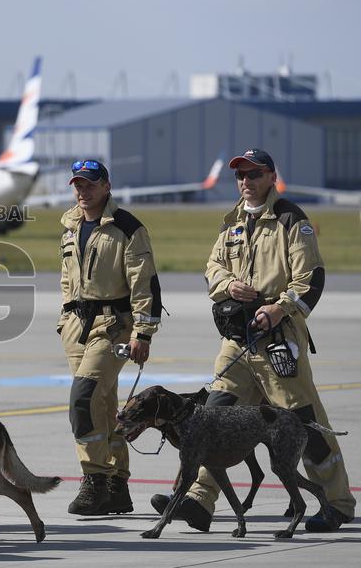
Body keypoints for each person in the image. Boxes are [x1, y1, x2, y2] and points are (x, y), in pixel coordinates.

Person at [150, 148, 356, 532]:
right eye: (240, 175)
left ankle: (337, 503)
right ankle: (198, 501)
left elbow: (311, 278)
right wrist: (229, 284)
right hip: (237, 341)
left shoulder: (291, 219)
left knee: (304, 424)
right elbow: (212, 268)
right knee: (213, 416)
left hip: (278, 337)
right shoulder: (232, 223)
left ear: (271, 177)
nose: (246, 181)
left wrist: (279, 308)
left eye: (254, 174)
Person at [58, 159, 162, 516]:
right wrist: (64, 320)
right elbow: (67, 279)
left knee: (82, 399)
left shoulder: (126, 228)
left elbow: (144, 283)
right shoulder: (70, 225)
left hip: (113, 326)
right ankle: (117, 485)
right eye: (78, 185)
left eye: (89, 185)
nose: (83, 192)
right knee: (101, 406)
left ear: (106, 186)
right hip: (76, 326)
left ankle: (94, 479)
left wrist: (143, 332)